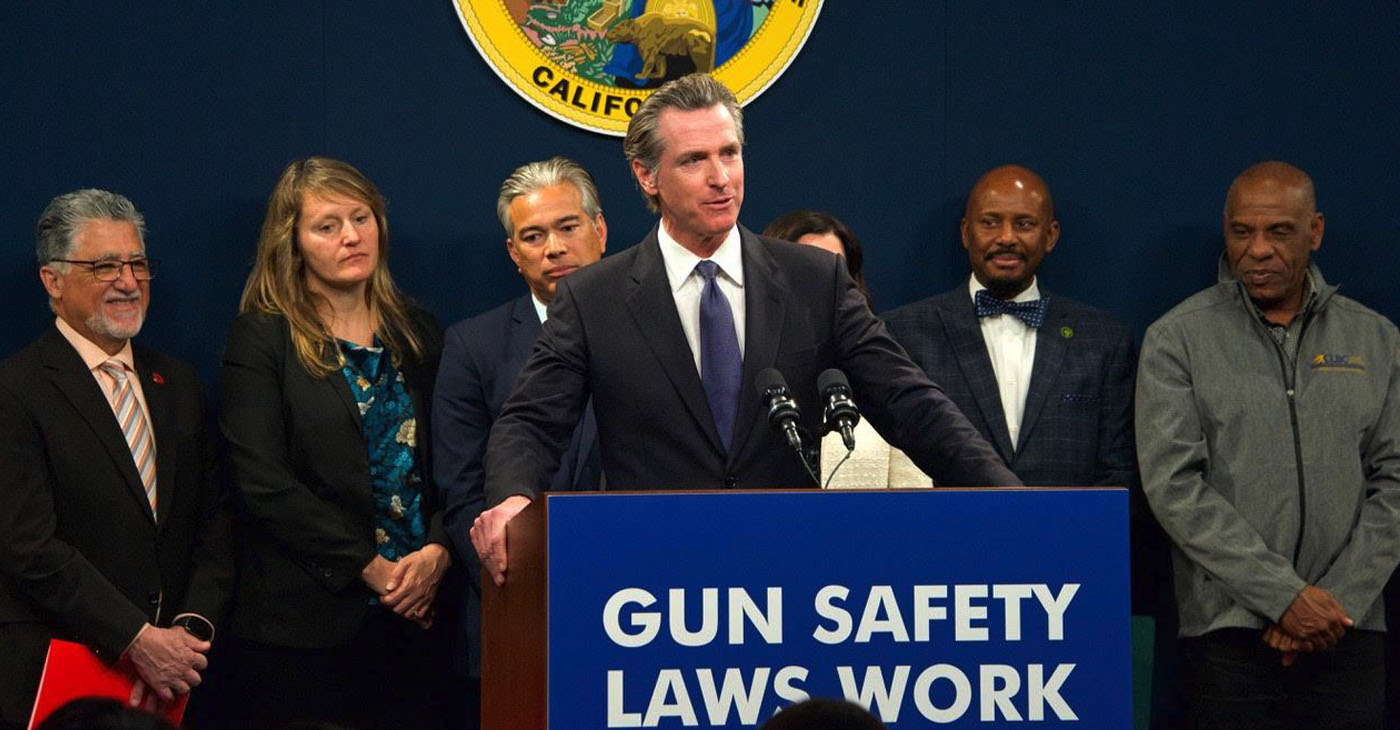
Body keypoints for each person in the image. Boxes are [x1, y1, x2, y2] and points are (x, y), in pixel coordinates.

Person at [473, 72, 1018, 586]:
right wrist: (512, 500)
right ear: (647, 175)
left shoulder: (814, 281)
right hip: (650, 577)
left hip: (786, 575)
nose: (721, 178)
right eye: (694, 160)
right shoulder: (595, 298)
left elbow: (911, 403)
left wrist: (1018, 503)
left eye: (729, 153)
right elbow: (530, 423)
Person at [1136, 161, 1400, 728]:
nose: (1258, 250)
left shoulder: (1377, 340)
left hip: (1348, 632)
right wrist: (1284, 598)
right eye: (1241, 232)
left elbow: (1396, 483)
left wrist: (1334, 604)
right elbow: (1175, 488)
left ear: (1316, 232)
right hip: (1227, 636)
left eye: (1279, 231)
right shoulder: (1176, 339)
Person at [218, 158, 449, 729]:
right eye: (327, 225)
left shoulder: (417, 333)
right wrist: (370, 569)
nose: (351, 236)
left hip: (417, 617)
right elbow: (261, 483)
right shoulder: (263, 337)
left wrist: (440, 553)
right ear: (291, 244)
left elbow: (456, 463)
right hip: (305, 630)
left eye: (361, 218)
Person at [0, 190, 233, 730]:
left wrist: (190, 633)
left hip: (177, 677)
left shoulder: (177, 383)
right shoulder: (15, 390)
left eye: (137, 263)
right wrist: (137, 638)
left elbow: (214, 519)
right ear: (51, 281)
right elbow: (26, 544)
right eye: (104, 266)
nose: (128, 282)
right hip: (57, 672)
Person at [432, 157, 607, 726]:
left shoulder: (662, 329)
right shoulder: (472, 346)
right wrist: (529, 575)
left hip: (639, 606)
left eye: (568, 227)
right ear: (514, 253)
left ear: (600, 231)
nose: (553, 247)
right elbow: (461, 494)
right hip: (515, 612)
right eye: (534, 235)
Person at [882, 165, 1137, 489]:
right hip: (946, 535)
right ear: (965, 232)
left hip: (1067, 536)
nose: (1006, 238)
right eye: (990, 222)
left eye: (1024, 224)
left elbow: (1119, 476)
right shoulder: (904, 334)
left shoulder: (1104, 341)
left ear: (1050, 235)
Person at [764, 210, 929, 488]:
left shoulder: (882, 378)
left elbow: (914, 503)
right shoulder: (745, 373)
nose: (821, 289)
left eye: (833, 275)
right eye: (807, 273)